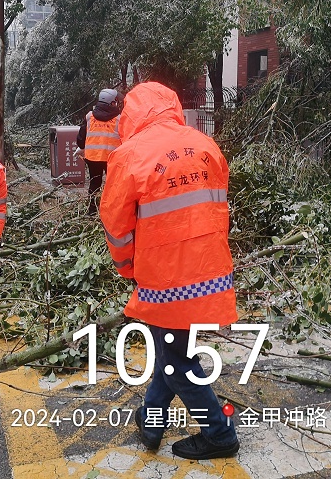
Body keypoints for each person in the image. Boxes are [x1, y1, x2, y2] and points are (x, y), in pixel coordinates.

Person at [99, 81, 240, 460]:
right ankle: (151, 420)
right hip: (210, 273)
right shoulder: (206, 145)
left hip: (166, 280)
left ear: (131, 114)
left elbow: (116, 224)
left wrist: (128, 269)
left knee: (177, 361)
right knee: (170, 348)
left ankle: (219, 434)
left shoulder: (130, 155)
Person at [74, 88, 122, 215]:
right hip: (111, 158)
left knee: (94, 183)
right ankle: (112, 211)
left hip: (92, 157)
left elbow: (80, 138)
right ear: (112, 102)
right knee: (112, 185)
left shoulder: (89, 116)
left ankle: (92, 210)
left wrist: (83, 146)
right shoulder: (119, 119)